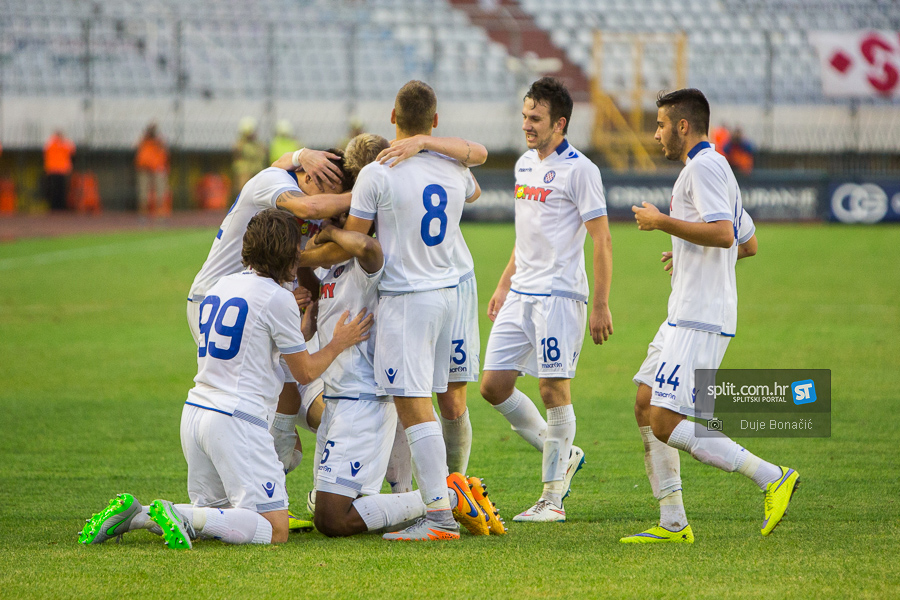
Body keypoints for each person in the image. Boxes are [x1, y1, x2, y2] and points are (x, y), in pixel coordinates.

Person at [78, 209, 373, 548]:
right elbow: (303, 372)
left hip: (196, 413)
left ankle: (138, 514)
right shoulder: (278, 298)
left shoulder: (221, 285)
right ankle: (180, 513)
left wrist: (298, 332)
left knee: (221, 518)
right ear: (290, 254)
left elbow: (254, 354)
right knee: (275, 529)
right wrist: (339, 342)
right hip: (236, 421)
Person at [302, 81, 489, 541]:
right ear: (436, 121)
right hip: (450, 291)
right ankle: (435, 498)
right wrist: (432, 147)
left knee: (412, 403)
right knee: (433, 399)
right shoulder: (451, 163)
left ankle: (440, 515)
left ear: (393, 117)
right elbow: (475, 184)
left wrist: (303, 254)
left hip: (407, 296)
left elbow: (355, 244)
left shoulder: (377, 173)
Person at [622, 88, 799, 543]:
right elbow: (748, 243)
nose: (656, 133)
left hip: (700, 316)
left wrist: (663, 222)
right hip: (683, 312)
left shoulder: (702, 168)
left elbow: (722, 234)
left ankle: (770, 476)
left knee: (664, 419)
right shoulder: (713, 166)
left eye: (661, 124)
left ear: (683, 126)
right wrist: (685, 254)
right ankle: (673, 523)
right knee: (645, 401)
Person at [479, 77, 613, 523]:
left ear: (560, 123)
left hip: (559, 295)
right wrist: (503, 283)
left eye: (535, 119)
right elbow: (527, 235)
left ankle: (551, 498)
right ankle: (564, 453)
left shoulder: (581, 171)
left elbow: (602, 240)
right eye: (524, 116)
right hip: (520, 293)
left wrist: (600, 304)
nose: (526, 126)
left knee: (553, 388)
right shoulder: (522, 165)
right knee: (493, 385)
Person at [134, 123, 169, 217]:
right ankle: (143, 209)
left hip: (157, 166)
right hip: (144, 167)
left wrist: (158, 139)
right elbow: (135, 146)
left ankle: (160, 208)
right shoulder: (144, 140)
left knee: (160, 188)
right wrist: (145, 136)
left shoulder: (159, 140)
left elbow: (164, 149)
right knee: (143, 189)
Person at [232, 117, 268, 195]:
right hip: (245, 172)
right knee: (243, 192)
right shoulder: (240, 144)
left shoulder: (258, 145)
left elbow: (262, 156)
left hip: (257, 172)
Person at [44, 130, 75, 211]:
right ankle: (61, 207)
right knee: (61, 190)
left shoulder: (50, 143)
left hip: (52, 169)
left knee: (53, 190)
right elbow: (72, 151)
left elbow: (45, 151)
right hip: (62, 170)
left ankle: (53, 207)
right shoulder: (65, 143)